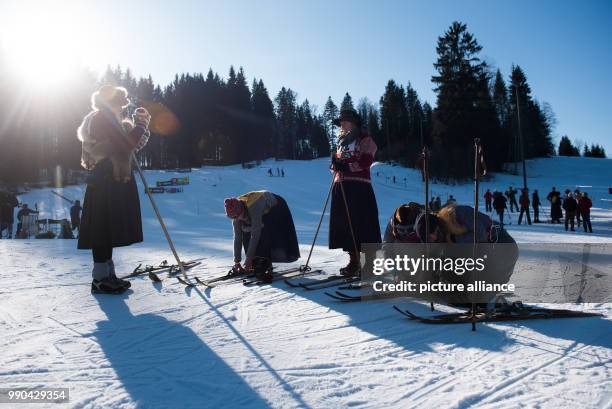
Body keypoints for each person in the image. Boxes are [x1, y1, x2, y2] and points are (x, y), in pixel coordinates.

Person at [77, 85, 151, 294]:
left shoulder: (108, 119)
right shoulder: (101, 119)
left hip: (109, 179)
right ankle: (100, 279)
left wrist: (141, 127)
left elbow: (131, 147)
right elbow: (123, 145)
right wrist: (139, 126)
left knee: (106, 228)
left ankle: (107, 275)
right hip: (105, 180)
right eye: (119, 103)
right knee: (102, 228)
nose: (122, 107)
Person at [329, 109, 381, 277]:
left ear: (354, 123)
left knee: (362, 224)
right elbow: (336, 166)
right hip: (342, 186)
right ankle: (354, 261)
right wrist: (335, 165)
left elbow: (365, 162)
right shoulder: (341, 142)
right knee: (344, 225)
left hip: (359, 187)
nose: (342, 125)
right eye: (341, 122)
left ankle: (368, 264)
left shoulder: (365, 139)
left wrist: (346, 166)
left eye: (345, 121)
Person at [224, 190, 300, 283]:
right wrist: (237, 261)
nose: (237, 219)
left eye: (237, 216)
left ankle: (264, 261)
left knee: (264, 231)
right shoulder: (235, 216)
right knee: (246, 231)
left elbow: (255, 234)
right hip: (260, 209)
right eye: (233, 217)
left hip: (276, 205)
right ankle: (257, 261)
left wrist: (248, 259)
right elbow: (238, 237)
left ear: (241, 209)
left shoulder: (253, 207)